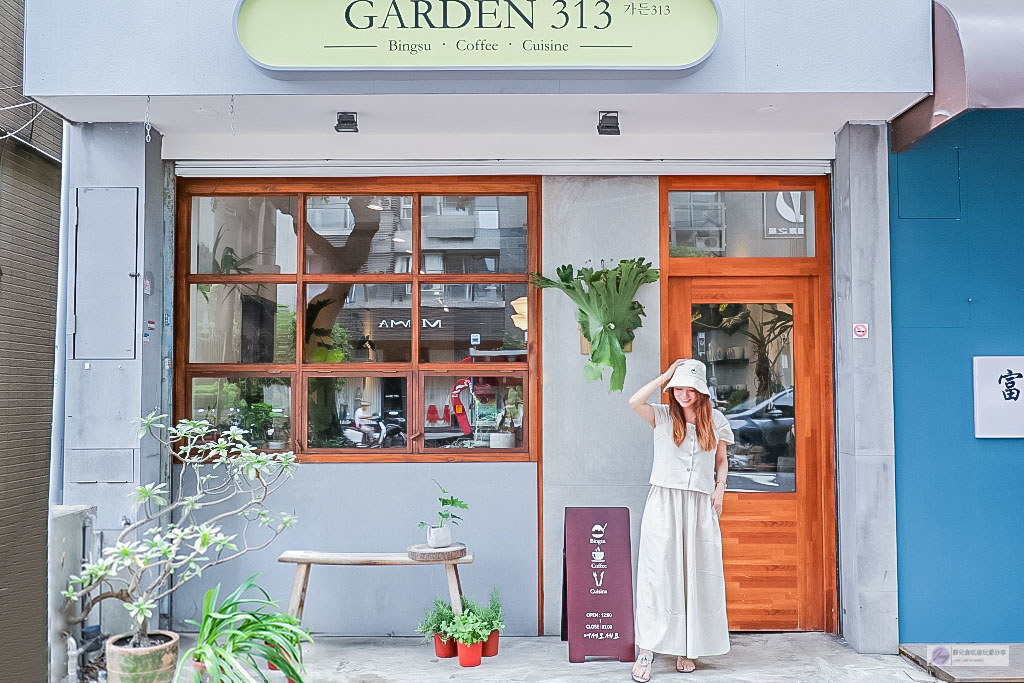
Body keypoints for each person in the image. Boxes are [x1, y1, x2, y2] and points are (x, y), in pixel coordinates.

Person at [627, 358, 733, 680]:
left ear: (701, 392)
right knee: (657, 575)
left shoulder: (715, 420)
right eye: (679, 389)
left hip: (700, 505)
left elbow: (722, 460)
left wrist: (719, 488)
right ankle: (646, 652)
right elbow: (634, 401)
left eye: (691, 389)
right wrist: (664, 376)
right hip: (663, 503)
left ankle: (688, 647)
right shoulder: (661, 415)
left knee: (696, 575)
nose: (684, 395)